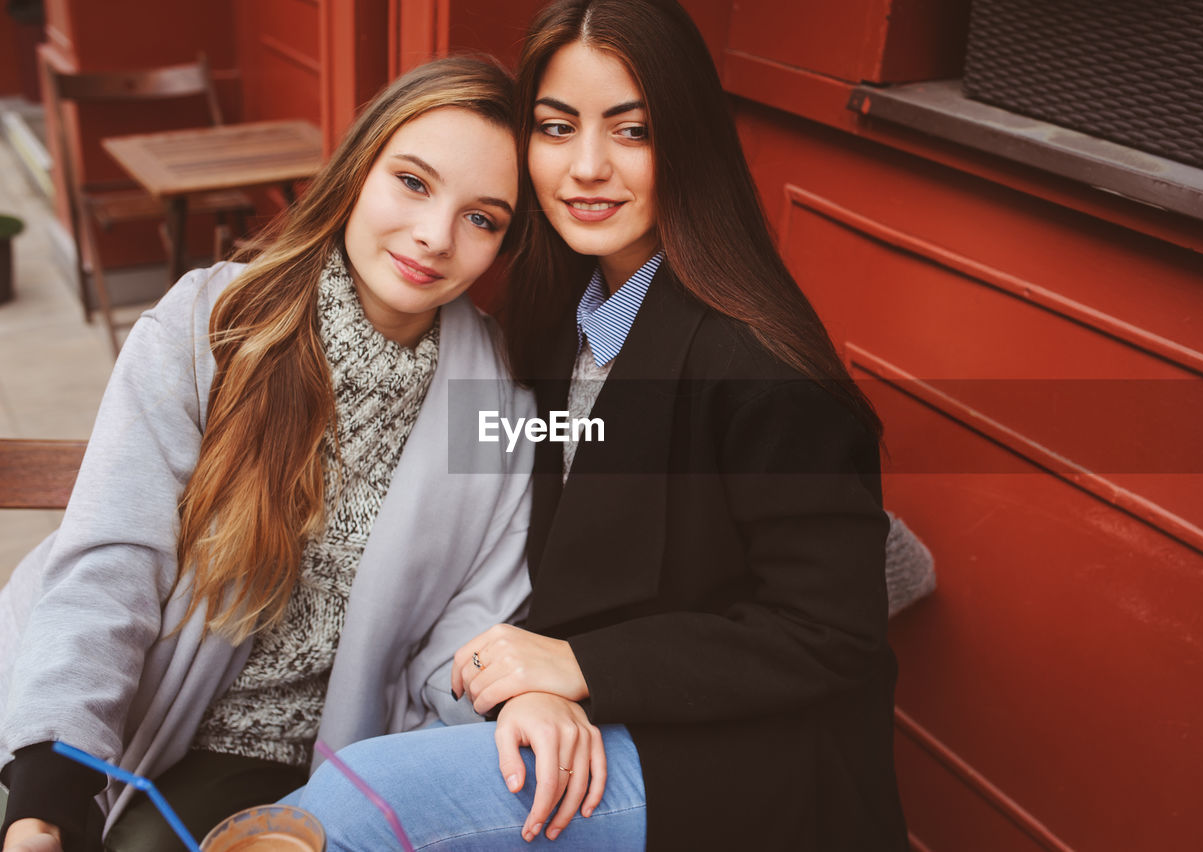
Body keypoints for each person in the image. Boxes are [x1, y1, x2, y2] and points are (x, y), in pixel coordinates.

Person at [292, 1, 909, 849]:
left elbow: (833, 633)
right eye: (556, 127)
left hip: (740, 760)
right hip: (584, 707)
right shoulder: (556, 319)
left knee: (365, 804)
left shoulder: (759, 363)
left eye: (632, 131)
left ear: (687, 138)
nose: (586, 167)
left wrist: (583, 669)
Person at [0, 56, 534, 852]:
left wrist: (516, 698)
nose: (434, 236)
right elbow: (113, 562)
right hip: (129, 716)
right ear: (358, 171)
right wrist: (47, 794)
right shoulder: (209, 323)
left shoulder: (498, 403)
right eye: (413, 183)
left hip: (333, 752)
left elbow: (466, 631)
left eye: (482, 218)